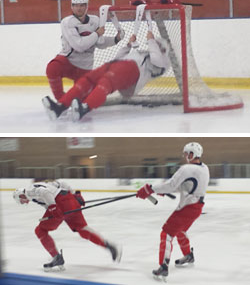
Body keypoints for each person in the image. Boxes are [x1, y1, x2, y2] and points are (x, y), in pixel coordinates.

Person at [42, 31, 170, 121]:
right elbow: (119, 57)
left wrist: (151, 40)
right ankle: (60, 106)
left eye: (157, 45)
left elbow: (157, 59)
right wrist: (128, 46)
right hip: (118, 64)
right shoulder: (144, 53)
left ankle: (85, 108)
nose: (153, 46)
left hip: (133, 70)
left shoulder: (164, 62)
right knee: (87, 80)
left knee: (106, 82)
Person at [136, 142, 209, 281]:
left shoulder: (187, 169)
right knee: (180, 230)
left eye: (187, 153)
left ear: (193, 154)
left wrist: (149, 189)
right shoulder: (205, 168)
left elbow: (171, 185)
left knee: (167, 233)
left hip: (187, 208)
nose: (186, 156)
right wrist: (161, 190)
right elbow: (187, 185)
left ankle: (163, 266)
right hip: (197, 208)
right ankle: (188, 255)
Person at [13, 178, 122, 271]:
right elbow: (61, 183)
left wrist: (53, 208)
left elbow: (45, 193)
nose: (24, 203)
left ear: (21, 195)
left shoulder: (29, 191)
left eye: (21, 201)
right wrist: (76, 195)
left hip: (61, 204)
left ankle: (56, 257)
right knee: (82, 229)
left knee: (40, 230)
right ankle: (107, 245)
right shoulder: (41, 185)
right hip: (70, 200)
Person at [45, 0, 124, 101]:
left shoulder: (95, 21)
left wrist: (116, 39)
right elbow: (79, 45)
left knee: (82, 99)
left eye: (82, 5)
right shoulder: (67, 22)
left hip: (85, 66)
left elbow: (100, 43)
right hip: (69, 61)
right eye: (76, 5)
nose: (79, 8)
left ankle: (73, 100)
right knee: (52, 68)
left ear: (87, 7)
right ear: (72, 7)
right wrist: (97, 34)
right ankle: (61, 100)